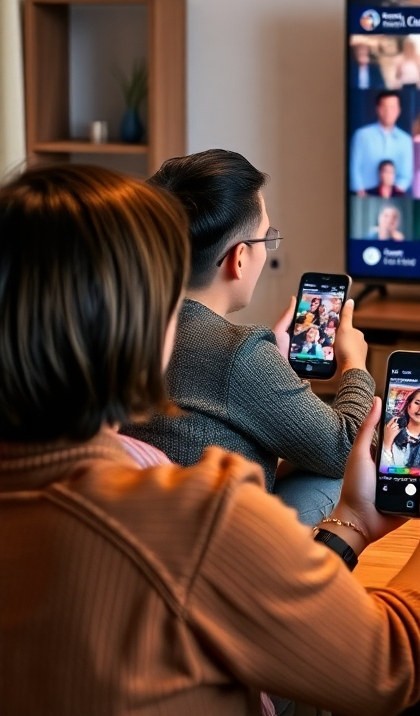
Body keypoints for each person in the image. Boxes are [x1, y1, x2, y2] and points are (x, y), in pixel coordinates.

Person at [0, 163, 420, 714]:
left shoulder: (138, 463)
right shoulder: (197, 510)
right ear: (141, 324)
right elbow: (390, 666)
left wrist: (350, 524)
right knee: (327, 477)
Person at [121, 151, 375, 528]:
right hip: (218, 542)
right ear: (238, 258)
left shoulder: (120, 325)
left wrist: (273, 367)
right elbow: (346, 450)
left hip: (137, 522)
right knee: (336, 475)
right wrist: (355, 365)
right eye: (267, 237)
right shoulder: (239, 352)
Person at [350, 90, 413, 193]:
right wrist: (361, 193)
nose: (388, 112)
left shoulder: (406, 140)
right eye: (384, 107)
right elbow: (354, 169)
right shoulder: (362, 135)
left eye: (392, 107)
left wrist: (393, 194)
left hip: (394, 196)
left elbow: (406, 176)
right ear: (377, 109)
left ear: (398, 111)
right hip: (363, 195)